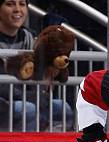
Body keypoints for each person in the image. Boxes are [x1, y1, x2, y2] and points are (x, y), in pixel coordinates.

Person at [0, 0, 74, 131]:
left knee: (62, 108)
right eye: (10, 4)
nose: (17, 9)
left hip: (28, 99)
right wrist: (33, 97)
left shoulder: (30, 37)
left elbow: (39, 76)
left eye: (22, 4)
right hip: (5, 102)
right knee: (27, 109)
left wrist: (40, 94)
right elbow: (3, 86)